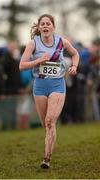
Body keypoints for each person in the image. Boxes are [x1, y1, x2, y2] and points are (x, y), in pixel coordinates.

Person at [19, 14, 79, 169]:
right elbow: (22, 65)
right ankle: (48, 152)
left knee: (50, 121)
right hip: (39, 86)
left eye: (48, 24)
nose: (45, 26)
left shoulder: (62, 42)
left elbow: (75, 54)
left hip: (57, 85)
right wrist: (39, 60)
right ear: (39, 27)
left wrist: (74, 66)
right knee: (46, 126)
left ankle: (46, 159)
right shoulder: (33, 43)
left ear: (53, 27)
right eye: (42, 24)